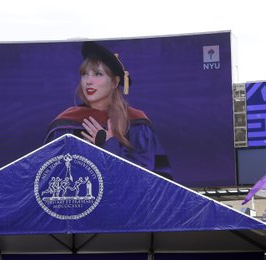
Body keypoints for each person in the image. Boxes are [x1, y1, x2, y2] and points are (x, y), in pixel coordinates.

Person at [45, 41, 172, 179]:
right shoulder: (65, 125)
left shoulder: (137, 124)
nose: (88, 81)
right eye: (84, 74)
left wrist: (110, 147)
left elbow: (155, 180)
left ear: (115, 82)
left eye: (98, 74)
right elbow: (51, 177)